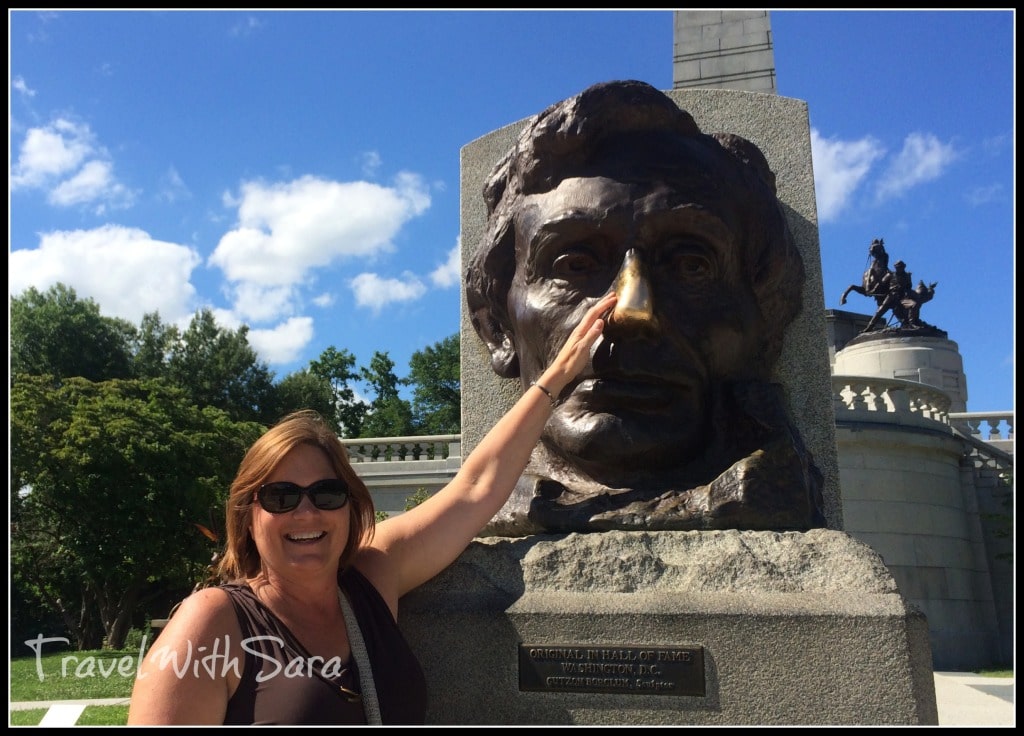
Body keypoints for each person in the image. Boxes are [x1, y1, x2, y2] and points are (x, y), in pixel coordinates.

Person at [126, 291, 617, 726]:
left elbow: (476, 488)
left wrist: (558, 374)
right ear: (248, 515)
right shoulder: (214, 620)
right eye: (280, 497)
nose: (306, 513)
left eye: (326, 493)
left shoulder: (371, 578)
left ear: (349, 506)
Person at [464, 80, 824, 534]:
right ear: (496, 325)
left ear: (765, 319)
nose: (631, 312)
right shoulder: (452, 521)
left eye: (691, 265)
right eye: (575, 264)